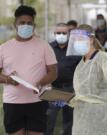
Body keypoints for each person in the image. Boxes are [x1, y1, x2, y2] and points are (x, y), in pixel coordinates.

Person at [64, 24, 107, 135]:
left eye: (80, 39)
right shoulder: (81, 64)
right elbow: (83, 93)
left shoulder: (102, 57)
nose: (77, 43)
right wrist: (68, 100)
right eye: (75, 40)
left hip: (99, 114)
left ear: (90, 39)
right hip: (81, 114)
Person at [0, 5, 57, 135]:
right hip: (12, 102)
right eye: (22, 23)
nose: (26, 25)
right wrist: (8, 79)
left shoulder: (44, 46)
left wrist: (41, 82)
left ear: (34, 26)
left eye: (29, 23)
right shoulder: (4, 48)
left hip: (37, 101)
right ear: (15, 24)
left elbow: (53, 72)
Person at [45, 23, 81, 135]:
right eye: (58, 33)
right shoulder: (48, 48)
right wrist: (47, 85)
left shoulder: (76, 49)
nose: (61, 35)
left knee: (69, 120)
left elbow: (81, 70)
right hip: (53, 88)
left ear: (69, 34)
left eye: (64, 33)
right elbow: (43, 68)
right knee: (49, 118)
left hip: (71, 88)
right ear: (54, 34)